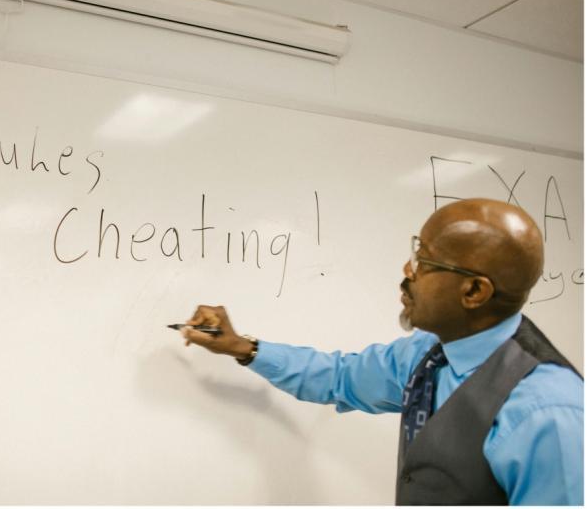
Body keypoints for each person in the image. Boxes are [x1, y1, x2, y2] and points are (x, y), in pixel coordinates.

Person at [178, 198, 583, 505]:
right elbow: (339, 377)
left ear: (474, 291)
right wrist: (242, 347)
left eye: (424, 262)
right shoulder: (428, 354)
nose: (408, 272)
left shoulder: (547, 413)